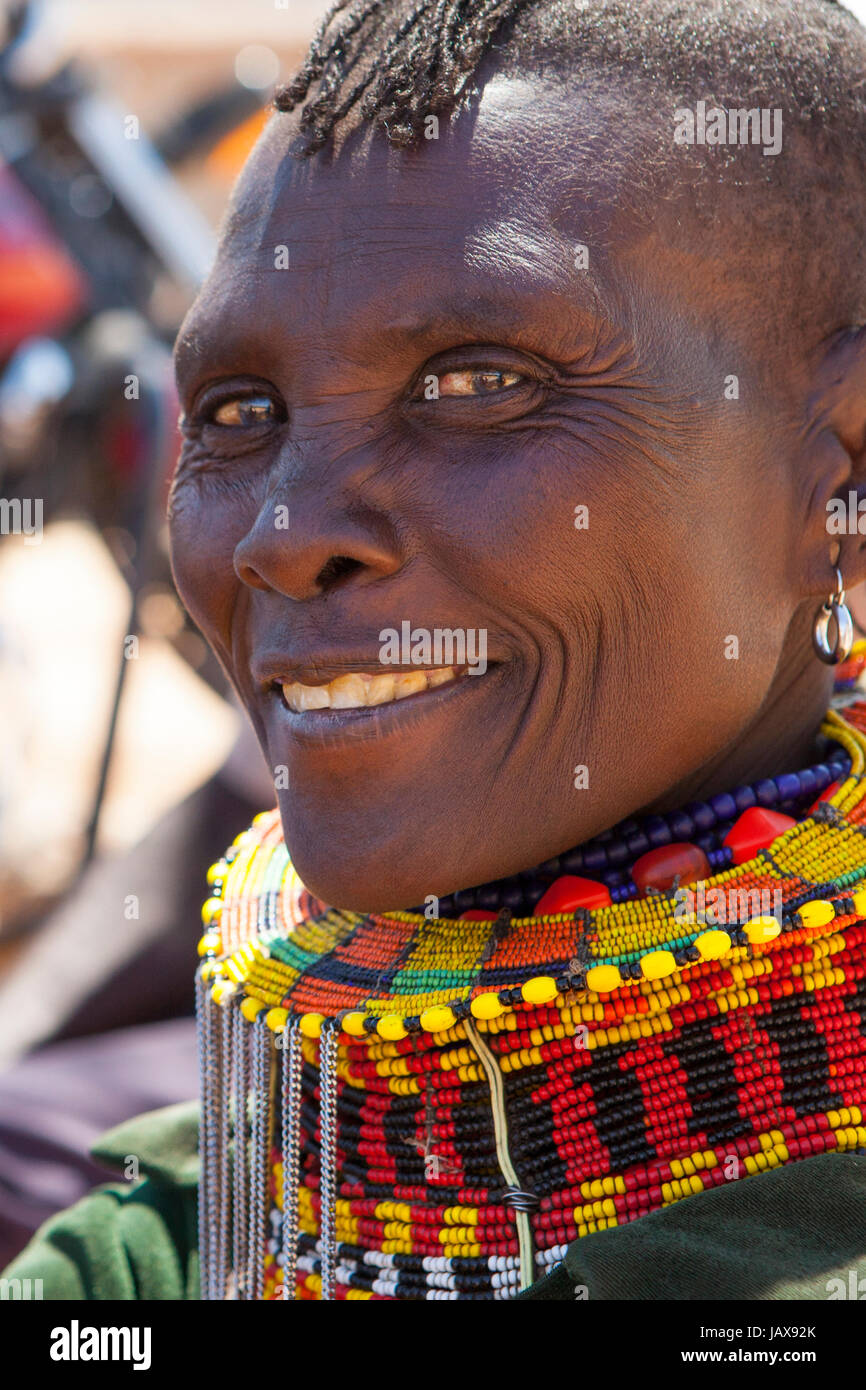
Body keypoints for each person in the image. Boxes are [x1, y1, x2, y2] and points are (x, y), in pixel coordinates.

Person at [6, 0, 866, 1301]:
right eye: (238, 412)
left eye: (475, 384)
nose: (283, 539)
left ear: (839, 487)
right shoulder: (164, 1256)